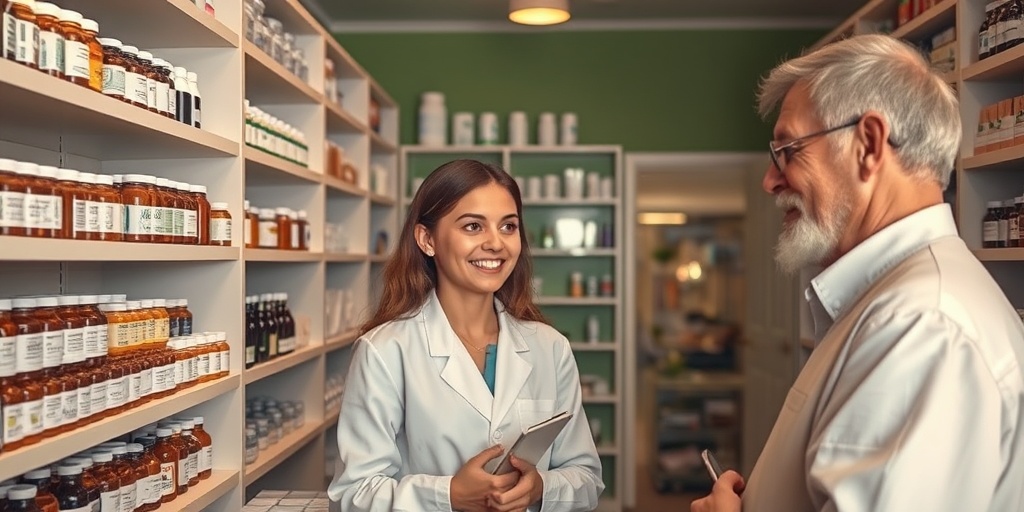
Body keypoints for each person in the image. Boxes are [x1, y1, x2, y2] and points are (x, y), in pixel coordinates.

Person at [692, 34, 1024, 512]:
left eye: (789, 149)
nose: (770, 180)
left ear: (868, 144)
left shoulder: (923, 326)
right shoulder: (895, 303)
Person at [328, 159, 604, 511]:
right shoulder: (385, 351)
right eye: (473, 226)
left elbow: (587, 478)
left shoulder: (550, 348)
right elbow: (352, 494)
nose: (495, 243)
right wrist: (449, 495)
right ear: (427, 239)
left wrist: (540, 488)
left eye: (508, 226)